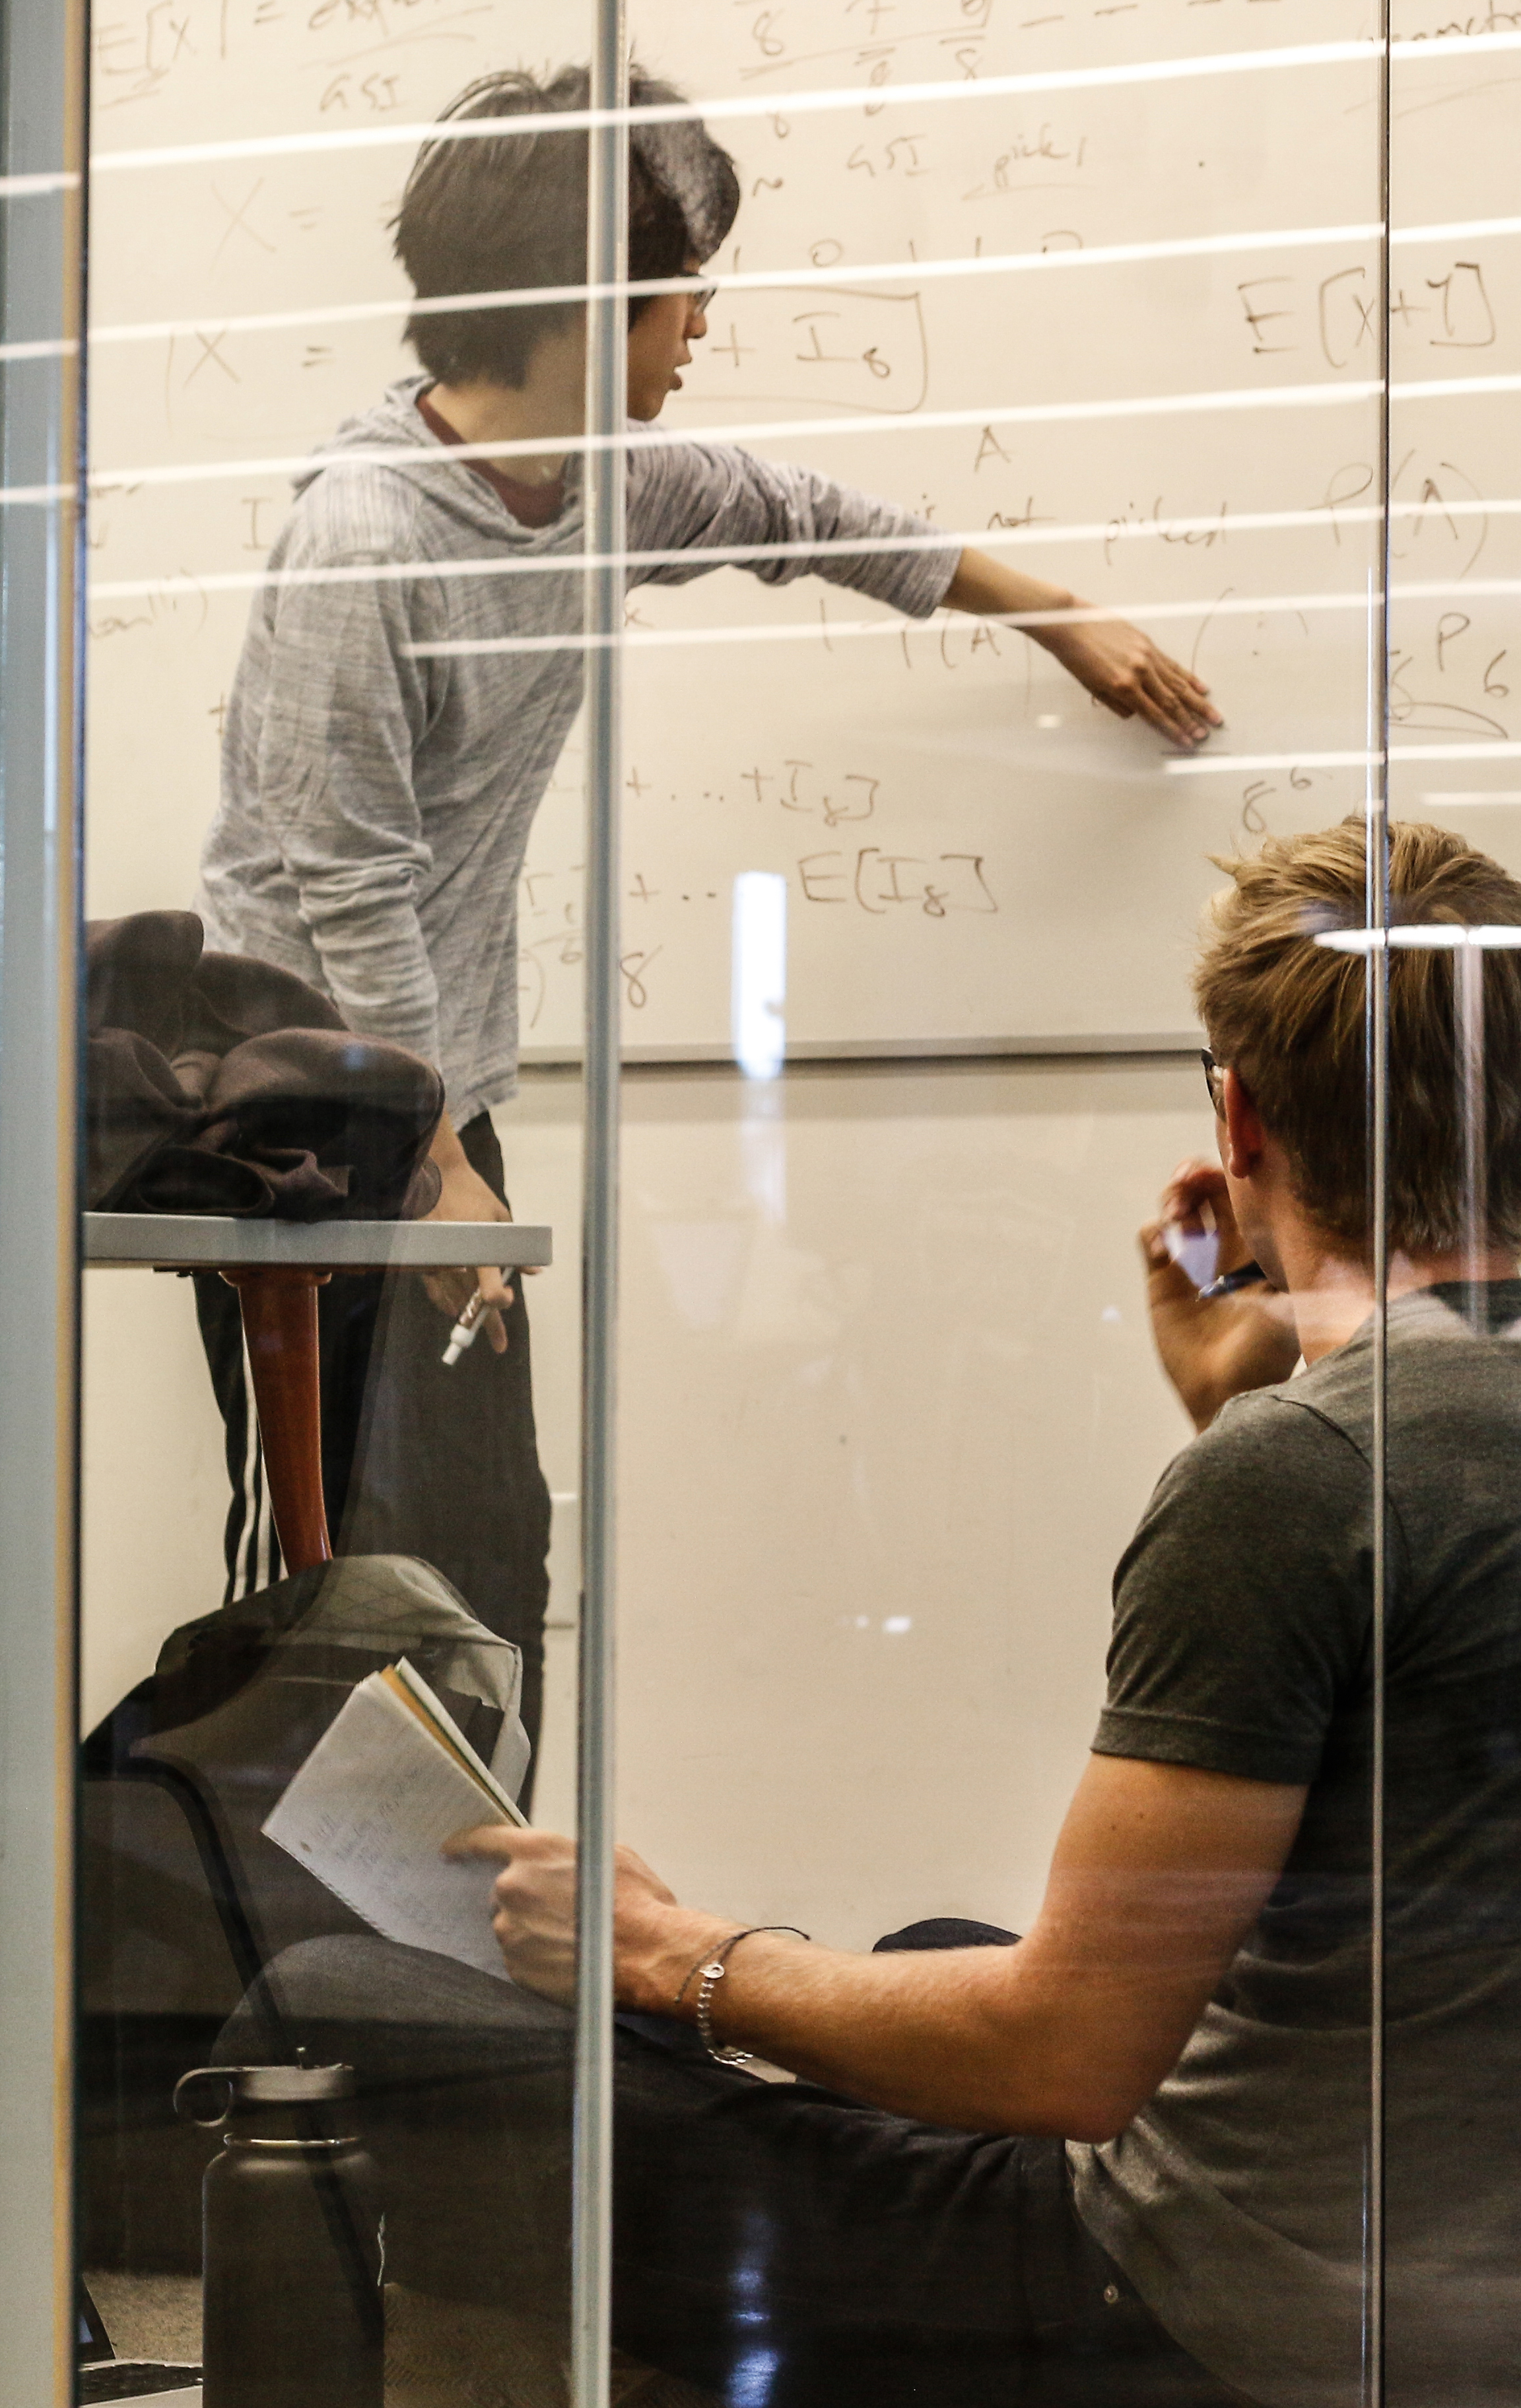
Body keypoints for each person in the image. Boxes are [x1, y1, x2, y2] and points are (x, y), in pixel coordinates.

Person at [222, 820, 1521, 2408]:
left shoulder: (1305, 1471)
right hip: (1467, 2317)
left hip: (1184, 2329)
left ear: (1238, 1113)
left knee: (351, 2003)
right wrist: (1240, 1396)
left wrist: (673, 1953)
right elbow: (1409, 1725)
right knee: (915, 1953)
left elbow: (1065, 2060)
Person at [191, 66, 1220, 1760]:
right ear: (588, 312)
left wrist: (1060, 615)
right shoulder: (364, 536)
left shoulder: (603, 483)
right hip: (310, 1122)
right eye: (686, 298)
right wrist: (435, 1163)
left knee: (488, 1552)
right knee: (361, 1576)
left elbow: (804, 518)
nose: (702, 332)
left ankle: (467, 1925)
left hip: (432, 1101)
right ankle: (354, 1950)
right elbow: (343, 875)